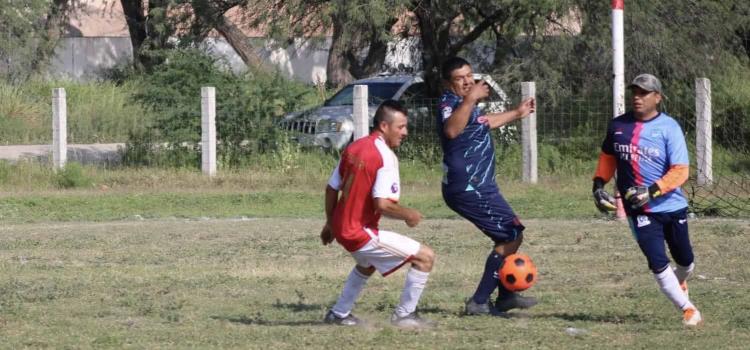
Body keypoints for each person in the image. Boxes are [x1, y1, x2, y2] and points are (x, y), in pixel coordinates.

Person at [592, 73, 702, 327]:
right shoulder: (618, 126)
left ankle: (680, 281)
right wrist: (598, 185)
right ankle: (688, 309)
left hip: (672, 206)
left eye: (644, 93)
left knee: (685, 261)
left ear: (658, 98)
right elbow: (608, 157)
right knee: (656, 261)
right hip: (638, 210)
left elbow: (681, 170)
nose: (637, 98)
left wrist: (652, 190)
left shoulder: (670, 127)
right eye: (635, 93)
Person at [320, 100, 436, 329]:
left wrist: (330, 223)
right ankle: (404, 316)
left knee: (366, 265)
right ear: (384, 126)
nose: (405, 132)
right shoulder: (385, 158)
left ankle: (339, 313)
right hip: (358, 232)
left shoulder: (355, 147)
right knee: (425, 257)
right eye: (401, 127)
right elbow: (382, 204)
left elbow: (332, 187)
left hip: (344, 228)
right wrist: (408, 214)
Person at [436, 57, 537, 316]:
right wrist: (471, 99)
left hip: (481, 186)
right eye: (461, 78)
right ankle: (480, 301)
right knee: (510, 235)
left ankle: (505, 296)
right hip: (469, 187)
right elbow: (451, 130)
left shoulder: (467, 105)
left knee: (510, 235)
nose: (468, 81)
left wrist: (516, 113)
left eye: (470, 75)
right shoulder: (450, 103)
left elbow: (484, 123)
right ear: (449, 84)